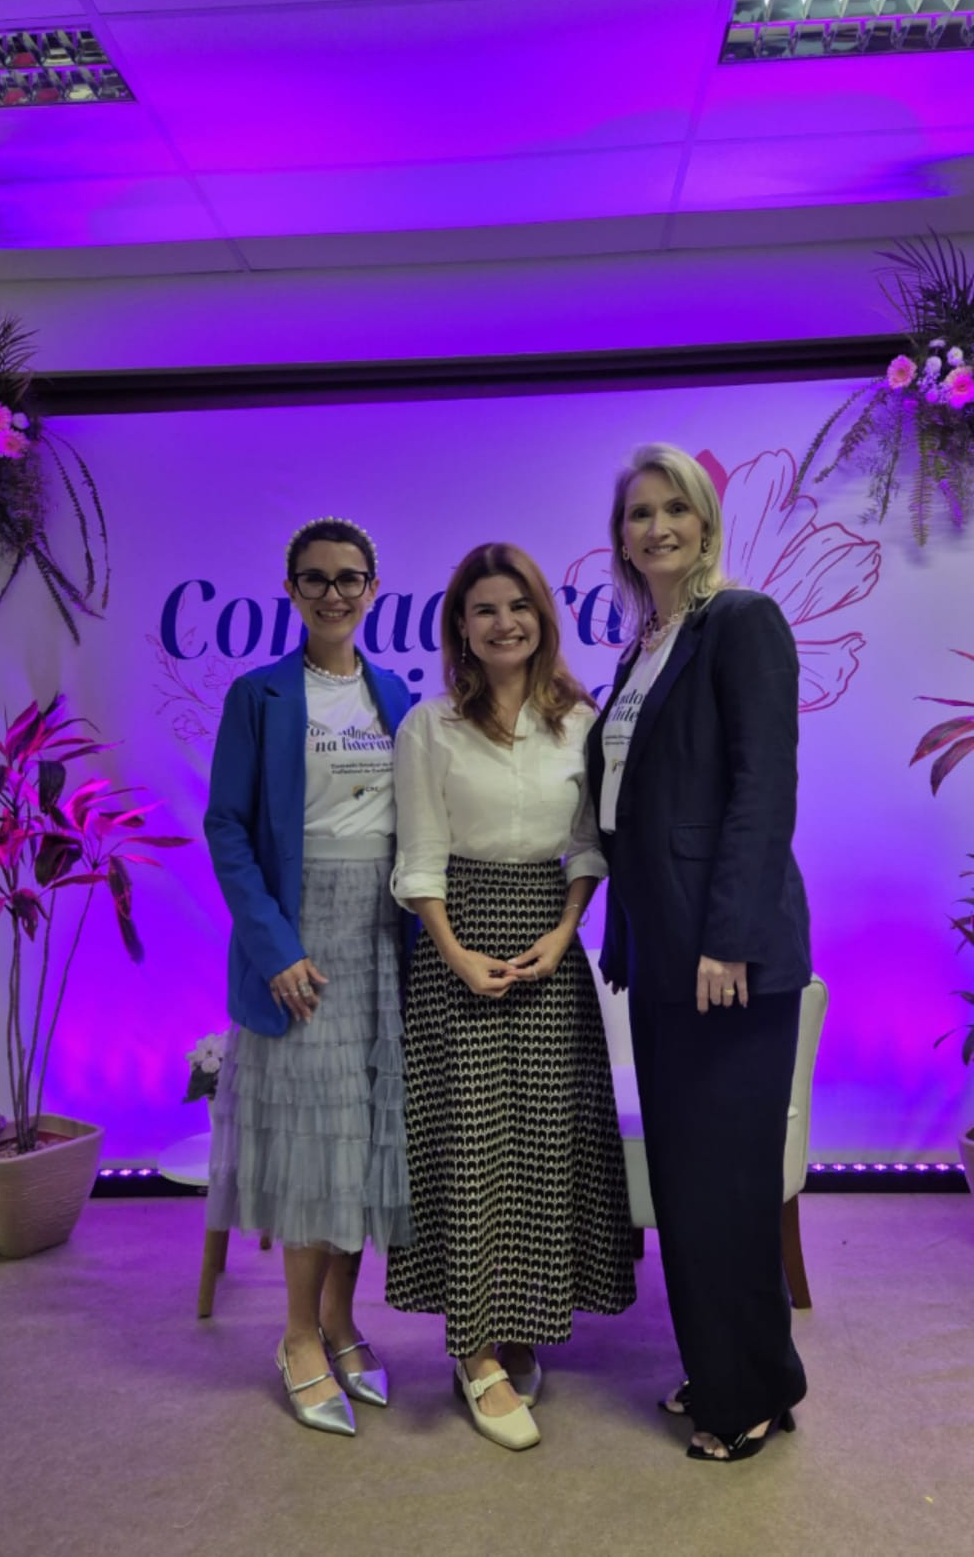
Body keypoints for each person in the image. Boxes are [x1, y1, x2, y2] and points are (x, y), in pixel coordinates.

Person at [586, 444, 811, 1463]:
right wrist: (627, 936)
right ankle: (734, 1366)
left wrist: (729, 938)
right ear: (621, 537)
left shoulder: (742, 621)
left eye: (674, 507)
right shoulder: (642, 648)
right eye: (639, 513)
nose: (657, 526)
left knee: (725, 1184)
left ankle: (746, 1395)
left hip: (729, 958)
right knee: (688, 1180)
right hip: (664, 954)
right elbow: (632, 808)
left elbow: (763, 789)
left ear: (706, 520)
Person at [386, 541, 636, 1452]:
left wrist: (567, 929)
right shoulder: (429, 727)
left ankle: (521, 1317)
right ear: (460, 624)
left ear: (542, 616)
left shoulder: (581, 721)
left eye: (518, 605)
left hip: (548, 945)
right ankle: (475, 1351)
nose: (504, 623)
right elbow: (418, 857)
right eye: (484, 608)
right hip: (456, 947)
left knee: (543, 1142)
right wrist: (453, 951)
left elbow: (588, 845)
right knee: (469, 1146)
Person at [204, 517, 412, 1438]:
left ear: (373, 589)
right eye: (316, 578)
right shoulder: (257, 694)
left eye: (350, 577)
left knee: (362, 1136)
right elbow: (227, 829)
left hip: (383, 932)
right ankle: (296, 1336)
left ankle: (340, 1319)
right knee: (312, 1142)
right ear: (290, 590)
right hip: (299, 935)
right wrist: (276, 948)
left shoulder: (395, 693)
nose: (335, 593)